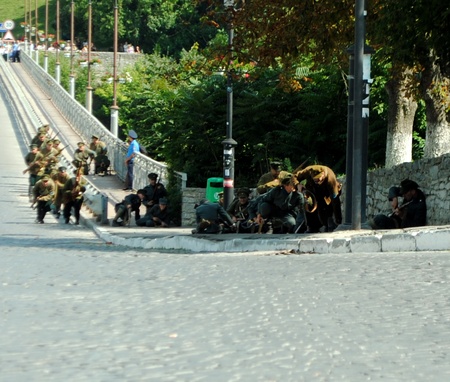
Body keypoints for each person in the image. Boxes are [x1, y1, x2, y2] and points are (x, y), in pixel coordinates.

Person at [294, 164, 342, 233]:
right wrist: (297, 185)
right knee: (309, 204)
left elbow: (335, 200)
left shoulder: (330, 179)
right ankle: (312, 228)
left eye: (318, 178)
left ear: (323, 174)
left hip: (326, 193)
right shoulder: (307, 171)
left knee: (327, 207)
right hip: (312, 190)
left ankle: (329, 224)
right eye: (314, 179)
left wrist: (338, 220)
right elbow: (294, 177)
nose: (316, 180)